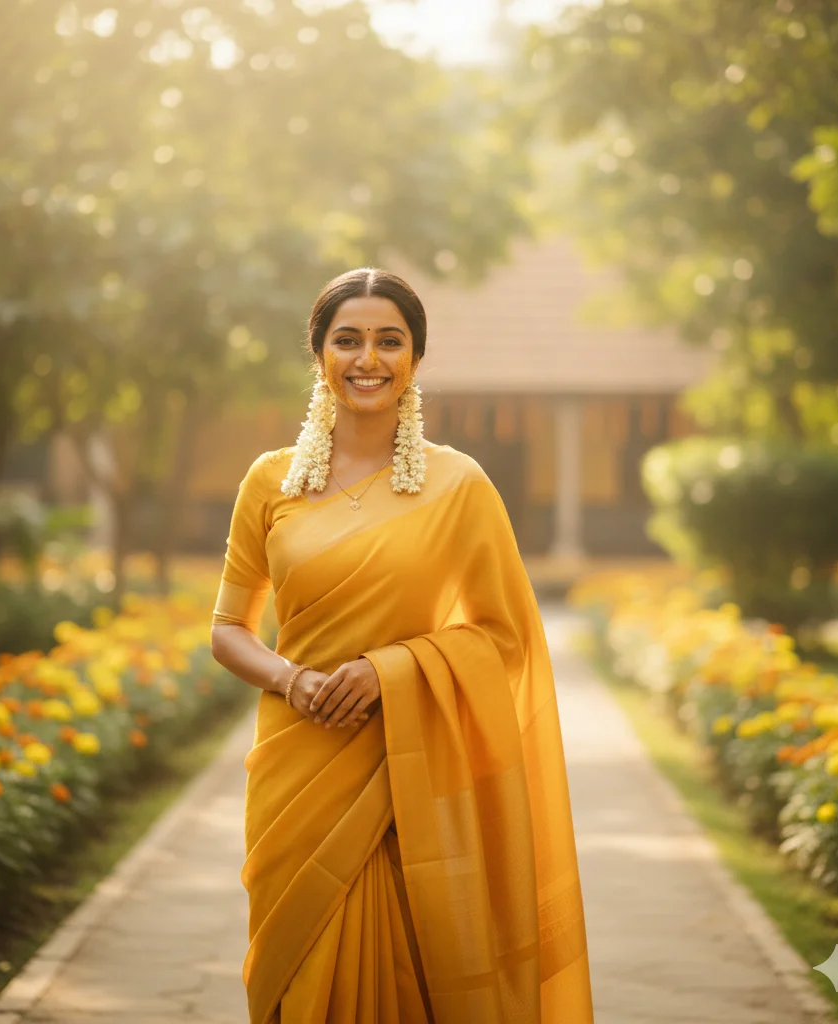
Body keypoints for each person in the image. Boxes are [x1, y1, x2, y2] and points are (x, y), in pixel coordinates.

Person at [210, 267, 594, 1023]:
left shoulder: (459, 485)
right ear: (319, 352)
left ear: (416, 357)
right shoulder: (271, 481)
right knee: (297, 969)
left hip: (407, 766)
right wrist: (293, 681)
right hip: (297, 763)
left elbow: (505, 637)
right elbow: (228, 629)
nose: (368, 359)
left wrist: (391, 671)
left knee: (409, 972)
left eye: (390, 341)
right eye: (347, 340)